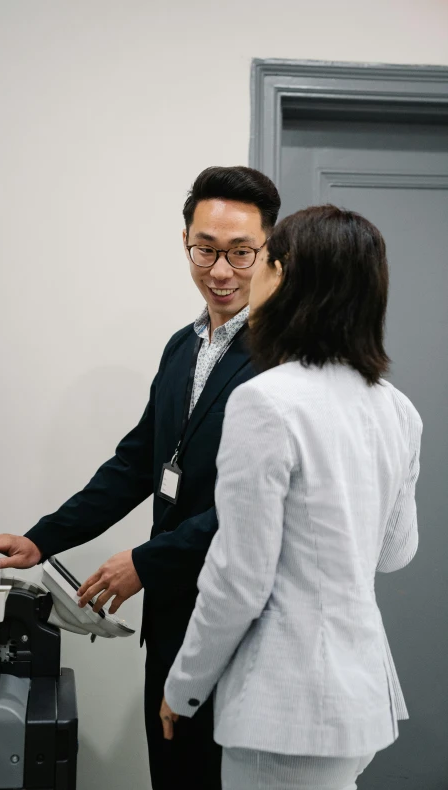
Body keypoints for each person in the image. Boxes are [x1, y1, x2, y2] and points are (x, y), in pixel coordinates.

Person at [0, 166, 282, 790]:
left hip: (242, 625)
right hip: (171, 620)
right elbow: (135, 463)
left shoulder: (284, 357)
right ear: (185, 242)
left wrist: (148, 561)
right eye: (206, 250)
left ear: (269, 248)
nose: (220, 271)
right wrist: (43, 539)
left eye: (241, 253)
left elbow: (257, 506)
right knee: (171, 775)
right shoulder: (182, 346)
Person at [162, 205, 422, 790]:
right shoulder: (397, 408)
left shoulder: (265, 401)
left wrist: (184, 685)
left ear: (286, 276)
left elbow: (239, 579)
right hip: (360, 698)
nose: (248, 277)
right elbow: (394, 553)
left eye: (264, 263)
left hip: (286, 706)